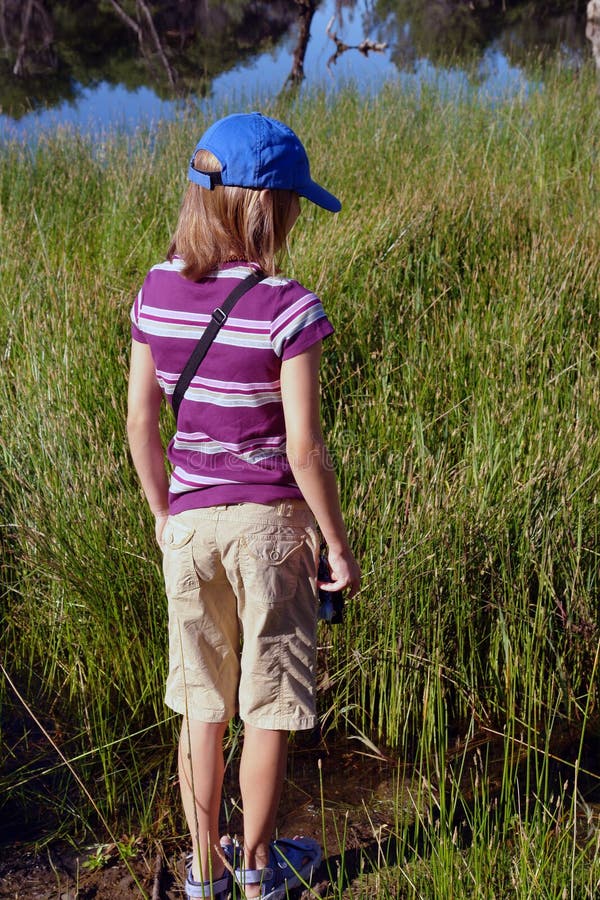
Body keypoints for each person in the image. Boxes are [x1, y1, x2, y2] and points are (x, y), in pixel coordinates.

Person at [126, 111, 361, 900]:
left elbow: (139, 422)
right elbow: (304, 449)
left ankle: (203, 873)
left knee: (202, 706)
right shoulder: (289, 306)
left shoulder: (155, 290)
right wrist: (337, 545)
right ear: (270, 209)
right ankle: (259, 874)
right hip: (271, 530)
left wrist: (164, 512)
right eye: (293, 206)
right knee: (267, 704)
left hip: (188, 526)